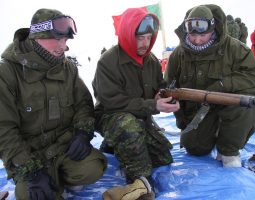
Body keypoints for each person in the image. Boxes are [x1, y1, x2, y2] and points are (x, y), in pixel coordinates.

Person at [0, 8, 107, 199]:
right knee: (32, 195)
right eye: (57, 39)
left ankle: (59, 177)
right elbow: (4, 129)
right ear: (37, 36)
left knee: (94, 167)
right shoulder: (7, 73)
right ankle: (46, 179)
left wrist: (83, 132)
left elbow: (83, 104)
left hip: (63, 148)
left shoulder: (68, 68)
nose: (62, 46)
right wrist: (29, 169)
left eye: (65, 41)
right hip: (30, 155)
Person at [92, 8, 179, 200]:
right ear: (127, 34)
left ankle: (114, 145)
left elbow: (160, 86)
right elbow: (113, 102)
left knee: (163, 157)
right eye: (140, 38)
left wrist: (165, 96)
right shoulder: (107, 62)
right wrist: (152, 105)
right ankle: (140, 184)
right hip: (111, 116)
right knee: (128, 127)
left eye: (149, 37)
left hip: (140, 118)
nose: (145, 43)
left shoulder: (151, 61)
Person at [165, 4, 255, 168]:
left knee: (248, 104)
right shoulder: (178, 54)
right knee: (195, 148)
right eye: (192, 35)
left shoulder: (234, 48)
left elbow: (253, 75)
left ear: (213, 29)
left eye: (203, 35)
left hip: (230, 106)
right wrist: (182, 121)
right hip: (198, 112)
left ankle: (229, 151)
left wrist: (222, 85)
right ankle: (211, 132)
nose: (197, 40)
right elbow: (168, 85)